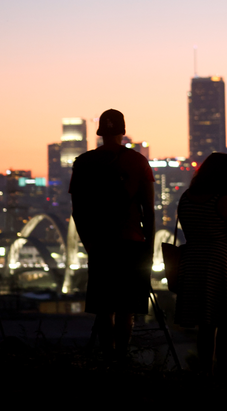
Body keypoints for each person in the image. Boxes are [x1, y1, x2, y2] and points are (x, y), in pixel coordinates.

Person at [70, 109, 155, 361]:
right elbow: (149, 209)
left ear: (100, 133)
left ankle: (107, 359)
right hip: (131, 243)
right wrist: (149, 247)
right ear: (122, 131)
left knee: (104, 307)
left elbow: (77, 211)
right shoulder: (137, 161)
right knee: (126, 308)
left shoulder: (83, 162)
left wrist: (89, 243)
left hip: (100, 244)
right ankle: (121, 360)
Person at [174, 153, 227, 381]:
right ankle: (222, 374)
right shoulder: (225, 199)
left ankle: (204, 373)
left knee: (205, 324)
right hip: (219, 264)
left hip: (193, 263)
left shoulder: (186, 197)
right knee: (226, 323)